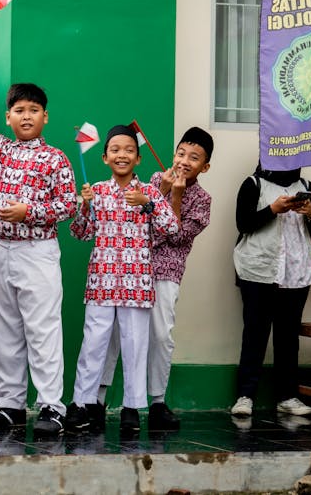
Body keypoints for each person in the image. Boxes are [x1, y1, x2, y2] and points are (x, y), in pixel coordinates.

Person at [0, 80, 78, 437]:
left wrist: (28, 211)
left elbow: (69, 204)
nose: (26, 116)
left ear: (45, 117)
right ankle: (10, 404)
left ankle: (51, 406)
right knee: (3, 331)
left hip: (37, 251)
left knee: (42, 328)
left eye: (33, 110)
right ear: (7, 117)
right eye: (19, 110)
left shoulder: (55, 157)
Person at [64, 125, 180, 433]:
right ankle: (82, 403)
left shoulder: (150, 193)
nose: (122, 155)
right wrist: (84, 205)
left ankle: (132, 407)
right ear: (104, 158)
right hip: (101, 282)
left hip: (137, 284)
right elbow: (80, 233)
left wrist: (148, 204)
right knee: (93, 345)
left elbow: (171, 229)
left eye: (129, 150)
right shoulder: (98, 191)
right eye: (115, 150)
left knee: (135, 345)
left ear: (138, 159)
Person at [97, 127, 214, 430]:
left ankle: (158, 402)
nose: (184, 161)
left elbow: (173, 235)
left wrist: (173, 196)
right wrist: (160, 192)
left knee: (160, 335)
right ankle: (98, 399)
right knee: (112, 335)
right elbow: (136, 224)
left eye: (194, 158)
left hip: (165, 270)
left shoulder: (202, 200)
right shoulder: (150, 183)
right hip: (130, 268)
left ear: (206, 166)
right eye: (181, 153)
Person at [230, 165, 311, 419]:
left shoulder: (306, 186)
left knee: (288, 336)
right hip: (259, 269)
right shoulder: (253, 184)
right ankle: (245, 396)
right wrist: (273, 209)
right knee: (255, 333)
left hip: (295, 271)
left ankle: (287, 396)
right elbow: (243, 224)